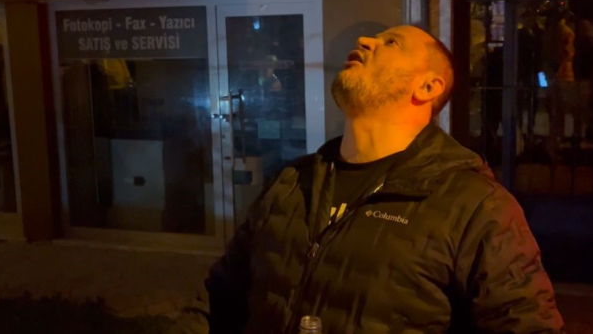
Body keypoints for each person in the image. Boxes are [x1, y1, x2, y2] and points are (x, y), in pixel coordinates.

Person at [174, 25, 564, 333]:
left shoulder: (476, 207)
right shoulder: (290, 182)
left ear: (428, 87)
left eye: (391, 42)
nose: (364, 41)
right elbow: (219, 302)